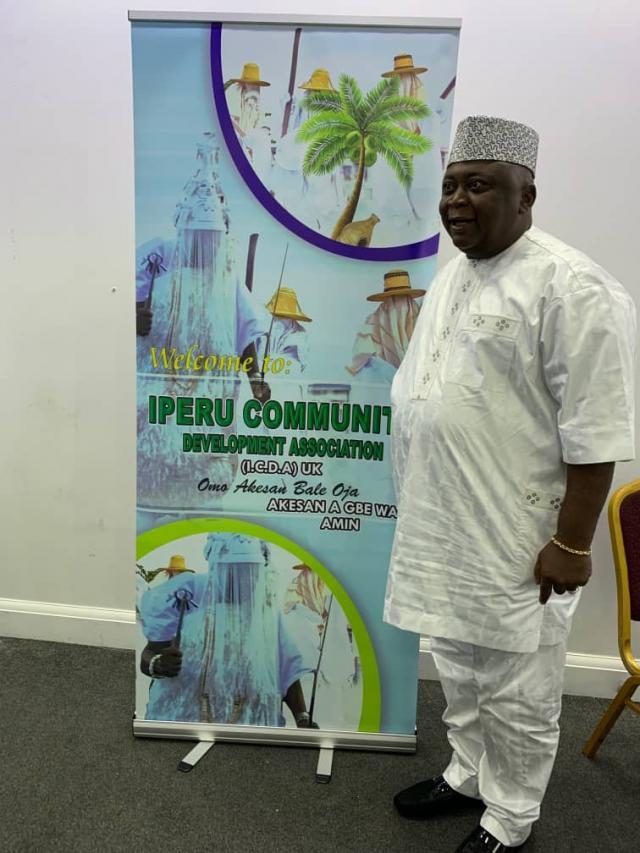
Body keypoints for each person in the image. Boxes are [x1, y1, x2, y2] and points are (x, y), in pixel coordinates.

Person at [384, 115, 636, 852]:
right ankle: (468, 773)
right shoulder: (453, 273)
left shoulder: (573, 286)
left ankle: (511, 814)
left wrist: (572, 543)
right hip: (443, 521)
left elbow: (597, 432)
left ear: (527, 195)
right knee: (459, 667)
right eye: (451, 186)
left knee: (519, 687)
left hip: (523, 538)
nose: (458, 201)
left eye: (480, 185)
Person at [139, 535, 317, 728]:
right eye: (233, 572)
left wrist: (302, 717)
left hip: (250, 721)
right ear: (217, 570)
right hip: (183, 716)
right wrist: (158, 664)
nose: (241, 581)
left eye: (249, 572)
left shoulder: (266, 614)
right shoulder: (186, 595)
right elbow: (148, 654)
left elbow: (286, 670)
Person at [347, 269, 425, 384]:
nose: (399, 306)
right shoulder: (372, 324)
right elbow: (361, 364)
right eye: (394, 300)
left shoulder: (422, 320)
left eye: (403, 299)